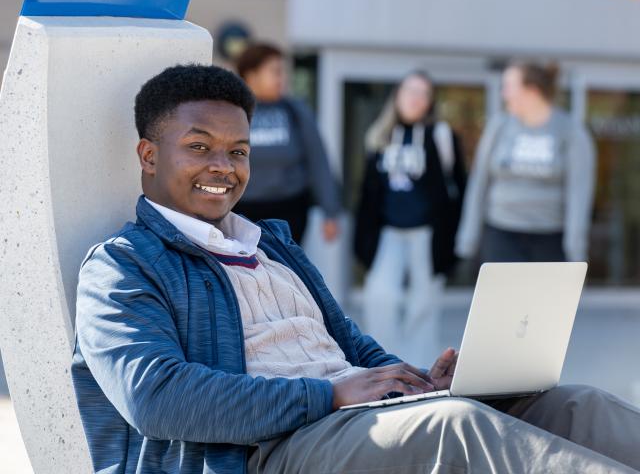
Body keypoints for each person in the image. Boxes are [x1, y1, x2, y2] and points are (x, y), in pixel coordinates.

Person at [72, 64, 640, 474]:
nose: (223, 166)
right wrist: (330, 395)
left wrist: (417, 381)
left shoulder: (271, 245)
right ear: (149, 155)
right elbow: (156, 398)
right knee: (456, 430)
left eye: (238, 151)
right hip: (271, 447)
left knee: (573, 405)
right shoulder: (123, 266)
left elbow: (349, 345)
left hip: (351, 421)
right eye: (199, 147)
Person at [354, 71, 466, 363]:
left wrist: (453, 240)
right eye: (410, 91)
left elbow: (458, 188)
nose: (415, 99)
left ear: (430, 102)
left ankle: (421, 370)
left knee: (423, 304)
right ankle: (384, 365)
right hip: (388, 231)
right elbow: (367, 193)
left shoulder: (441, 136)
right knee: (380, 298)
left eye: (423, 93)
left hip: (427, 233)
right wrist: (362, 239)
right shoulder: (380, 135)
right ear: (397, 95)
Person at [456, 62, 596, 263]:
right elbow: (479, 181)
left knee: (544, 296)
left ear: (531, 91)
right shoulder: (499, 126)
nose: (504, 94)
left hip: (550, 237)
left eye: (509, 87)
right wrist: (468, 237)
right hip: (501, 232)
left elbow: (579, 193)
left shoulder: (571, 132)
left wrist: (576, 249)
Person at [232, 42, 340, 244]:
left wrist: (330, 211)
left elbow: (318, 160)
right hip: (242, 211)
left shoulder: (295, 111)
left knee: (286, 272)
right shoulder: (232, 112)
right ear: (251, 74)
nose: (282, 79)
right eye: (276, 72)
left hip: (290, 211)